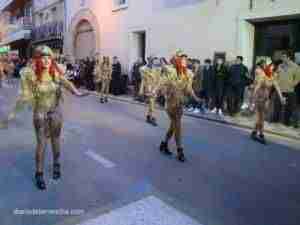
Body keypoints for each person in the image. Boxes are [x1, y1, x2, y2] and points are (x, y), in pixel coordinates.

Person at [0, 46, 89, 190]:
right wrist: (11, 116)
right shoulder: (32, 75)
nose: (47, 60)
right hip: (40, 114)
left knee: (55, 140)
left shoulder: (56, 74)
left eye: (49, 57)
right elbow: (23, 97)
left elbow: (67, 83)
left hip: (55, 113)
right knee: (41, 143)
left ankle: (56, 164)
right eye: (43, 57)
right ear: (38, 59)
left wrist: (77, 93)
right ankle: (39, 174)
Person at [159, 53, 201, 162]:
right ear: (177, 61)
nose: (185, 62)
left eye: (186, 60)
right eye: (183, 60)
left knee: (173, 126)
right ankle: (180, 150)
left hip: (180, 104)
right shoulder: (170, 72)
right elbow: (162, 85)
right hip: (170, 103)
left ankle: (164, 144)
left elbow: (188, 89)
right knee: (177, 125)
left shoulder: (188, 74)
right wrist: (162, 92)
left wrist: (196, 98)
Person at [250, 60, 285, 144]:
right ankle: (261, 134)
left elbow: (277, 88)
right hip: (258, 98)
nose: (275, 71)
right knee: (259, 118)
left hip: (265, 99)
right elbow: (256, 88)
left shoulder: (273, 77)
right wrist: (252, 102)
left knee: (262, 118)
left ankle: (254, 132)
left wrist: (281, 98)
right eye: (273, 68)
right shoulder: (263, 75)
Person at [277, 52, 300, 128]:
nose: (282, 58)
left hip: (290, 90)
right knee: (280, 107)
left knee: (291, 108)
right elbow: (277, 76)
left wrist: (292, 85)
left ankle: (292, 123)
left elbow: (298, 78)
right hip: (280, 90)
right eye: (282, 57)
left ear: (288, 57)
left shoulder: (295, 66)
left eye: (284, 57)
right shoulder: (280, 66)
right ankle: (282, 122)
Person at [139, 57, 162, 126]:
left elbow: (158, 79)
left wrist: (157, 88)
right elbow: (143, 80)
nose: (152, 62)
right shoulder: (143, 69)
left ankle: (149, 116)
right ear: (148, 60)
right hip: (148, 88)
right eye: (151, 60)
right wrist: (141, 90)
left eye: (153, 60)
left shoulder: (157, 69)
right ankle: (152, 117)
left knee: (153, 103)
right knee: (151, 102)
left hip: (154, 87)